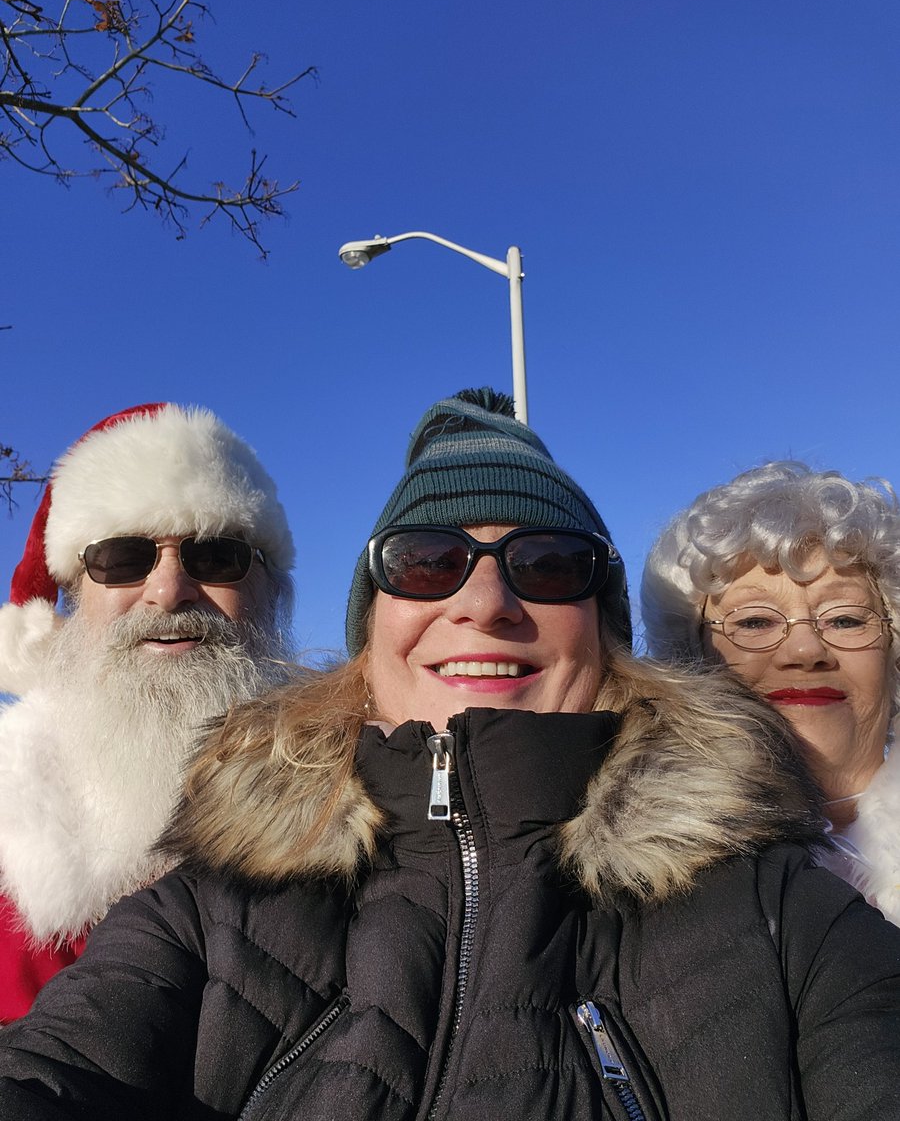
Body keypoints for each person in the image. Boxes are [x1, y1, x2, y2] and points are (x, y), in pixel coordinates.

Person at [1, 390, 899, 1121]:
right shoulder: (205, 906)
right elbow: (59, 1067)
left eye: (548, 565)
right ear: (369, 637)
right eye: (427, 561)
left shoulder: (783, 909)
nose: (485, 599)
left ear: (608, 633)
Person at [0, 402, 296, 1022]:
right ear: (73, 596)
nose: (169, 590)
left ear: (271, 590)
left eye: (216, 555)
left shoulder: (358, 805)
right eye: (123, 558)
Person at [641, 459, 900, 925]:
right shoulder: (643, 887)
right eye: (755, 622)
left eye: (845, 618)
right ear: (693, 660)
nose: (806, 649)